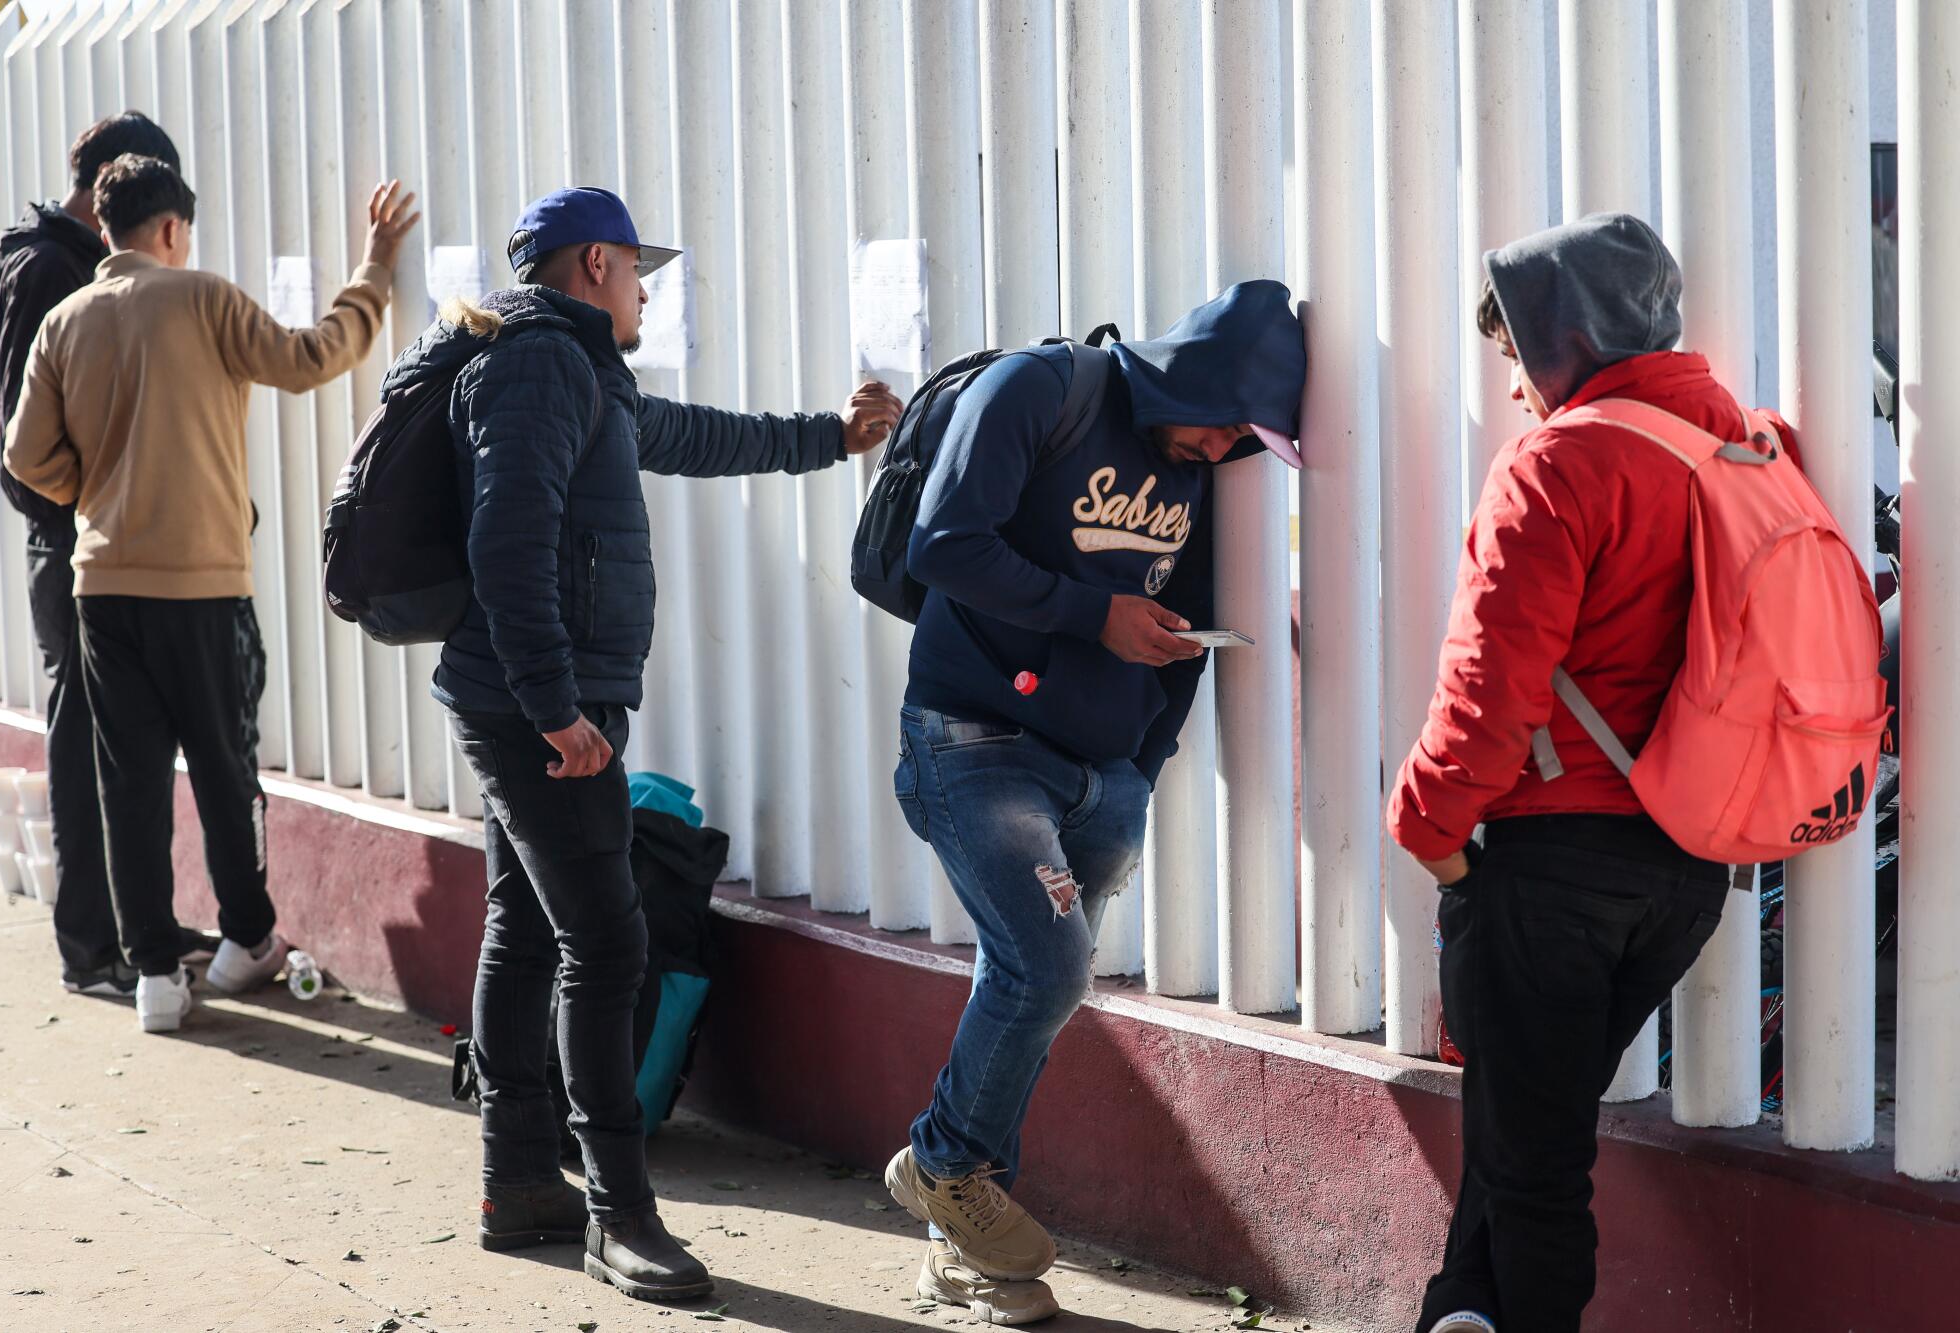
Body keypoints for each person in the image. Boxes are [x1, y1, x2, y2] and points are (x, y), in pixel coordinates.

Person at [380, 186, 902, 1302]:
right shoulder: (534, 365)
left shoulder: (579, 370)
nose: (651, 291)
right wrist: (554, 707)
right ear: (598, 264)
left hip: (543, 696)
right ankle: (618, 1213)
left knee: (526, 932)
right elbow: (508, 546)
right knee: (607, 946)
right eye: (638, 271)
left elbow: (692, 436)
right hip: (541, 707)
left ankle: (518, 1181)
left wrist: (833, 436)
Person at [1387, 213, 1800, 1333]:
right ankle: (1456, 1312)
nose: (1515, 389)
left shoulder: (1560, 462)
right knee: (1526, 1115)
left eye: (1516, 356)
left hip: (1549, 865)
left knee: (1534, 1169)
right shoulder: (1750, 447)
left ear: (1562, 338)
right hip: (1688, 868)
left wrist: (1423, 827)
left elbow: (1488, 684)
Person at [881, 281, 1305, 1326]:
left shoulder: (1202, 466)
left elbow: (1184, 620)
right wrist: (1090, 616)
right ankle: (942, 1164)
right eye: (1227, 421)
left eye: (1250, 438)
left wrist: (1143, 761)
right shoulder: (1041, 389)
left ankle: (964, 1249)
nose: (1227, 448)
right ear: (1194, 373)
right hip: (974, 737)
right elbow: (938, 543)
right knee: (1048, 965)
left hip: (1101, 769)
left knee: (1025, 989)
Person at [3, 155, 419, 1035]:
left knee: (133, 782)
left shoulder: (66, 322)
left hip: (102, 588)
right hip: (202, 587)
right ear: (170, 229)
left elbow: (24, 455)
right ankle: (247, 939)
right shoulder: (202, 298)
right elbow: (314, 358)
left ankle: (155, 972)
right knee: (227, 770)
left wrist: (97, 495)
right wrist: (375, 268)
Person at [0, 112, 218, 998]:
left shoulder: (75, 262)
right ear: (106, 188)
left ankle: (138, 930)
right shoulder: (49, 267)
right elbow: (25, 447)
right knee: (89, 751)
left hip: (105, 547)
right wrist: (100, 510)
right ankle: (93, 950)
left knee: (128, 748)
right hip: (75, 551)